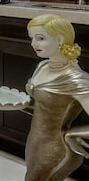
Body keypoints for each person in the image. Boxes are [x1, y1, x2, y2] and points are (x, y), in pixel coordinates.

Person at [24, 14, 89, 181]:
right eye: (32, 38)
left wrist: (72, 135)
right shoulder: (43, 65)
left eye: (40, 38)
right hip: (34, 141)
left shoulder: (75, 79)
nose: (33, 44)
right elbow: (45, 107)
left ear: (60, 39)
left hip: (56, 148)